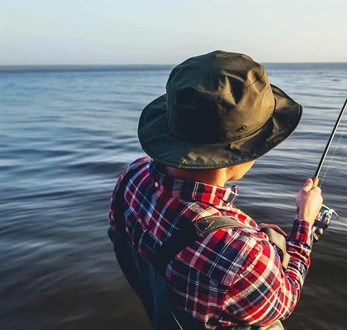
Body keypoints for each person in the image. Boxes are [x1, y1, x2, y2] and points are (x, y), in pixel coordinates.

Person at [108, 50, 323, 329]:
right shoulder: (242, 253)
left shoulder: (131, 176)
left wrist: (255, 237)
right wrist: (304, 222)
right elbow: (286, 299)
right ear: (243, 150)